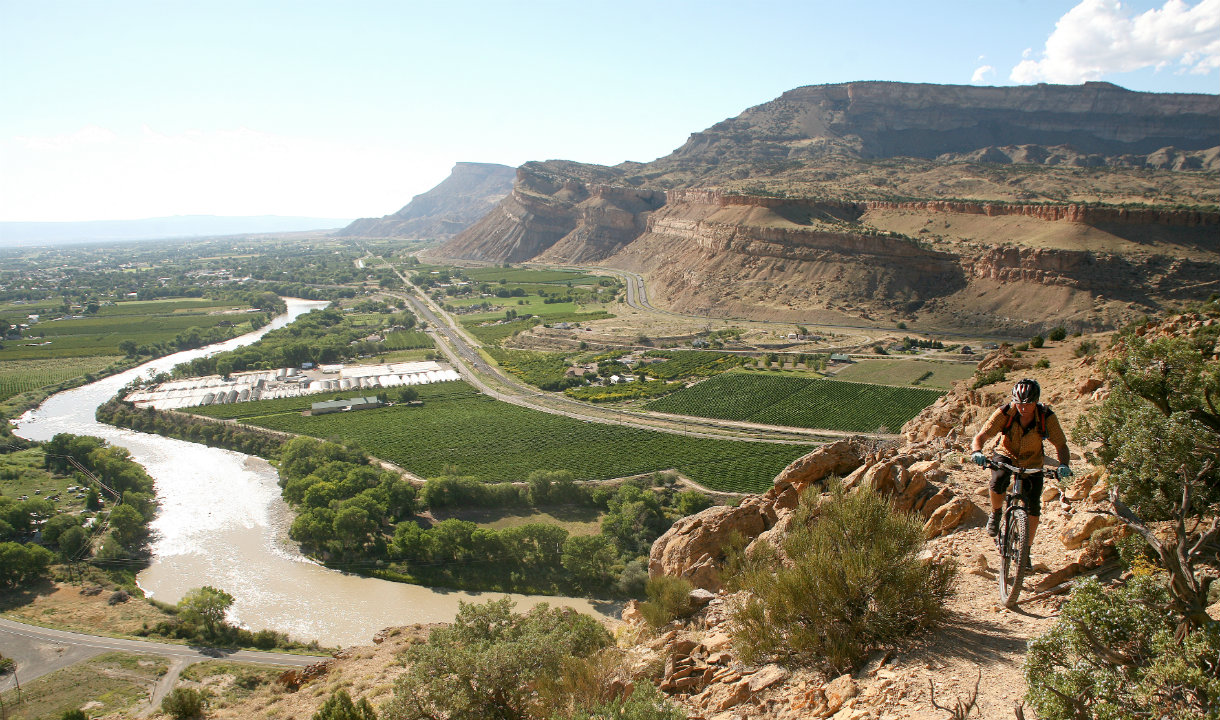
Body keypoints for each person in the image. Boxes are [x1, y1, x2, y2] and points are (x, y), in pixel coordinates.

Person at [970, 378, 1072, 567]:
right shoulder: (1005, 413)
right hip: (1006, 454)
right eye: (1019, 403)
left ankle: (1026, 550)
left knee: (1033, 506)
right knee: (998, 480)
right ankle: (996, 513)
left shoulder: (1046, 416)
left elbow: (1061, 445)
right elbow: (982, 436)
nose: (1023, 408)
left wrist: (1063, 464)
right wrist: (977, 451)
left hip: (1033, 460)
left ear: (1036, 402)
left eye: (1028, 404)